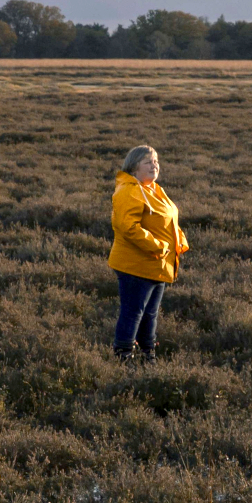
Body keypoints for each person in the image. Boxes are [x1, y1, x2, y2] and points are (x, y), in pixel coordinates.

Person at [106, 145, 189, 362]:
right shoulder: (129, 190)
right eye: (148, 162)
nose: (154, 166)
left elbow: (168, 218)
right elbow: (128, 227)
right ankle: (122, 356)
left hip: (157, 263)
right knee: (133, 313)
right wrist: (159, 247)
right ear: (134, 167)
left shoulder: (154, 188)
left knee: (150, 314)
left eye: (156, 162)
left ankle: (147, 355)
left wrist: (178, 240)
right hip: (136, 264)